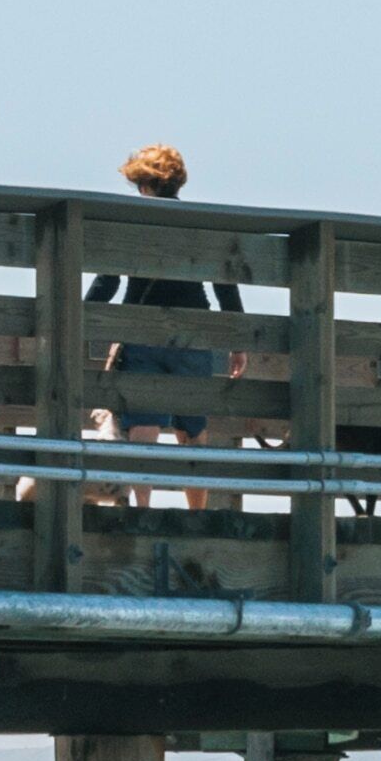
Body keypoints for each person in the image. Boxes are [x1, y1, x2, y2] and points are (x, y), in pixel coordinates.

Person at [84, 143, 246, 512]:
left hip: (141, 331)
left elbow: (107, 283)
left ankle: (142, 509)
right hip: (194, 332)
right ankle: (197, 513)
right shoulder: (200, 225)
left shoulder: (131, 224)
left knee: (143, 425)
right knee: (192, 427)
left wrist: (79, 318)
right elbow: (225, 284)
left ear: (144, 186)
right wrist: (238, 342)